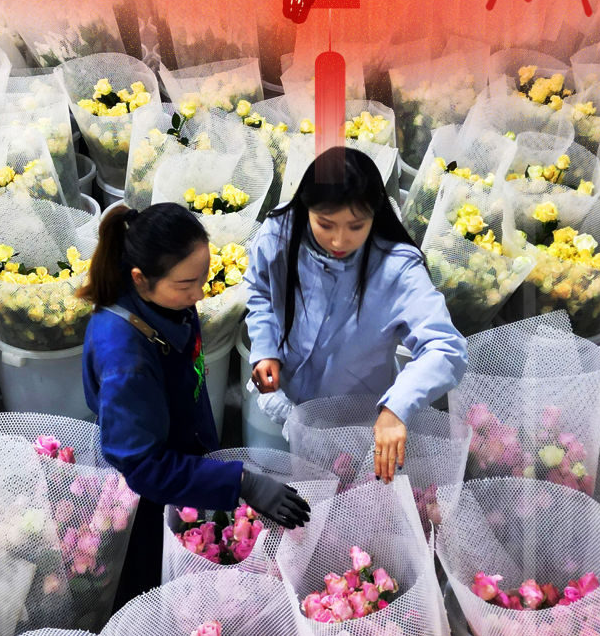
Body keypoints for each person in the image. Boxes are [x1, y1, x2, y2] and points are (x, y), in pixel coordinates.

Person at [81, 202, 310, 605]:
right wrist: (242, 483)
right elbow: (143, 467)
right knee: (151, 576)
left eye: (202, 279)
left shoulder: (165, 304)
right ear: (140, 278)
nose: (199, 294)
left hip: (181, 449)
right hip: (148, 491)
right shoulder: (126, 361)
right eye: (186, 285)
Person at [245, 145, 467, 483]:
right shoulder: (281, 233)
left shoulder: (396, 269)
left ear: (374, 215)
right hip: (287, 394)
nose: (339, 240)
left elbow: (446, 348)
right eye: (325, 224)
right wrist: (265, 350)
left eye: (355, 226)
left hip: (358, 417)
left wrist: (397, 406)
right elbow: (260, 290)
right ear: (306, 207)